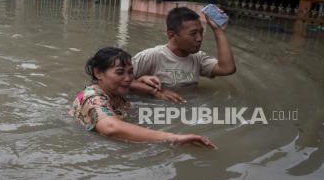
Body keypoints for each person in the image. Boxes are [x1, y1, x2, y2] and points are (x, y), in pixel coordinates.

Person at [69, 47, 216, 148]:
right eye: (120, 72)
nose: (127, 78)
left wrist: (143, 81)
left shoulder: (115, 93)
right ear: (98, 73)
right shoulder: (92, 98)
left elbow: (130, 87)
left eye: (130, 72)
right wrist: (174, 138)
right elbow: (111, 127)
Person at [130, 7, 236, 103]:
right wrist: (156, 91)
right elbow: (118, 81)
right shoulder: (152, 56)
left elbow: (227, 69)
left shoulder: (198, 58)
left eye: (201, 32)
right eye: (193, 33)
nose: (199, 38)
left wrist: (218, 30)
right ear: (172, 35)